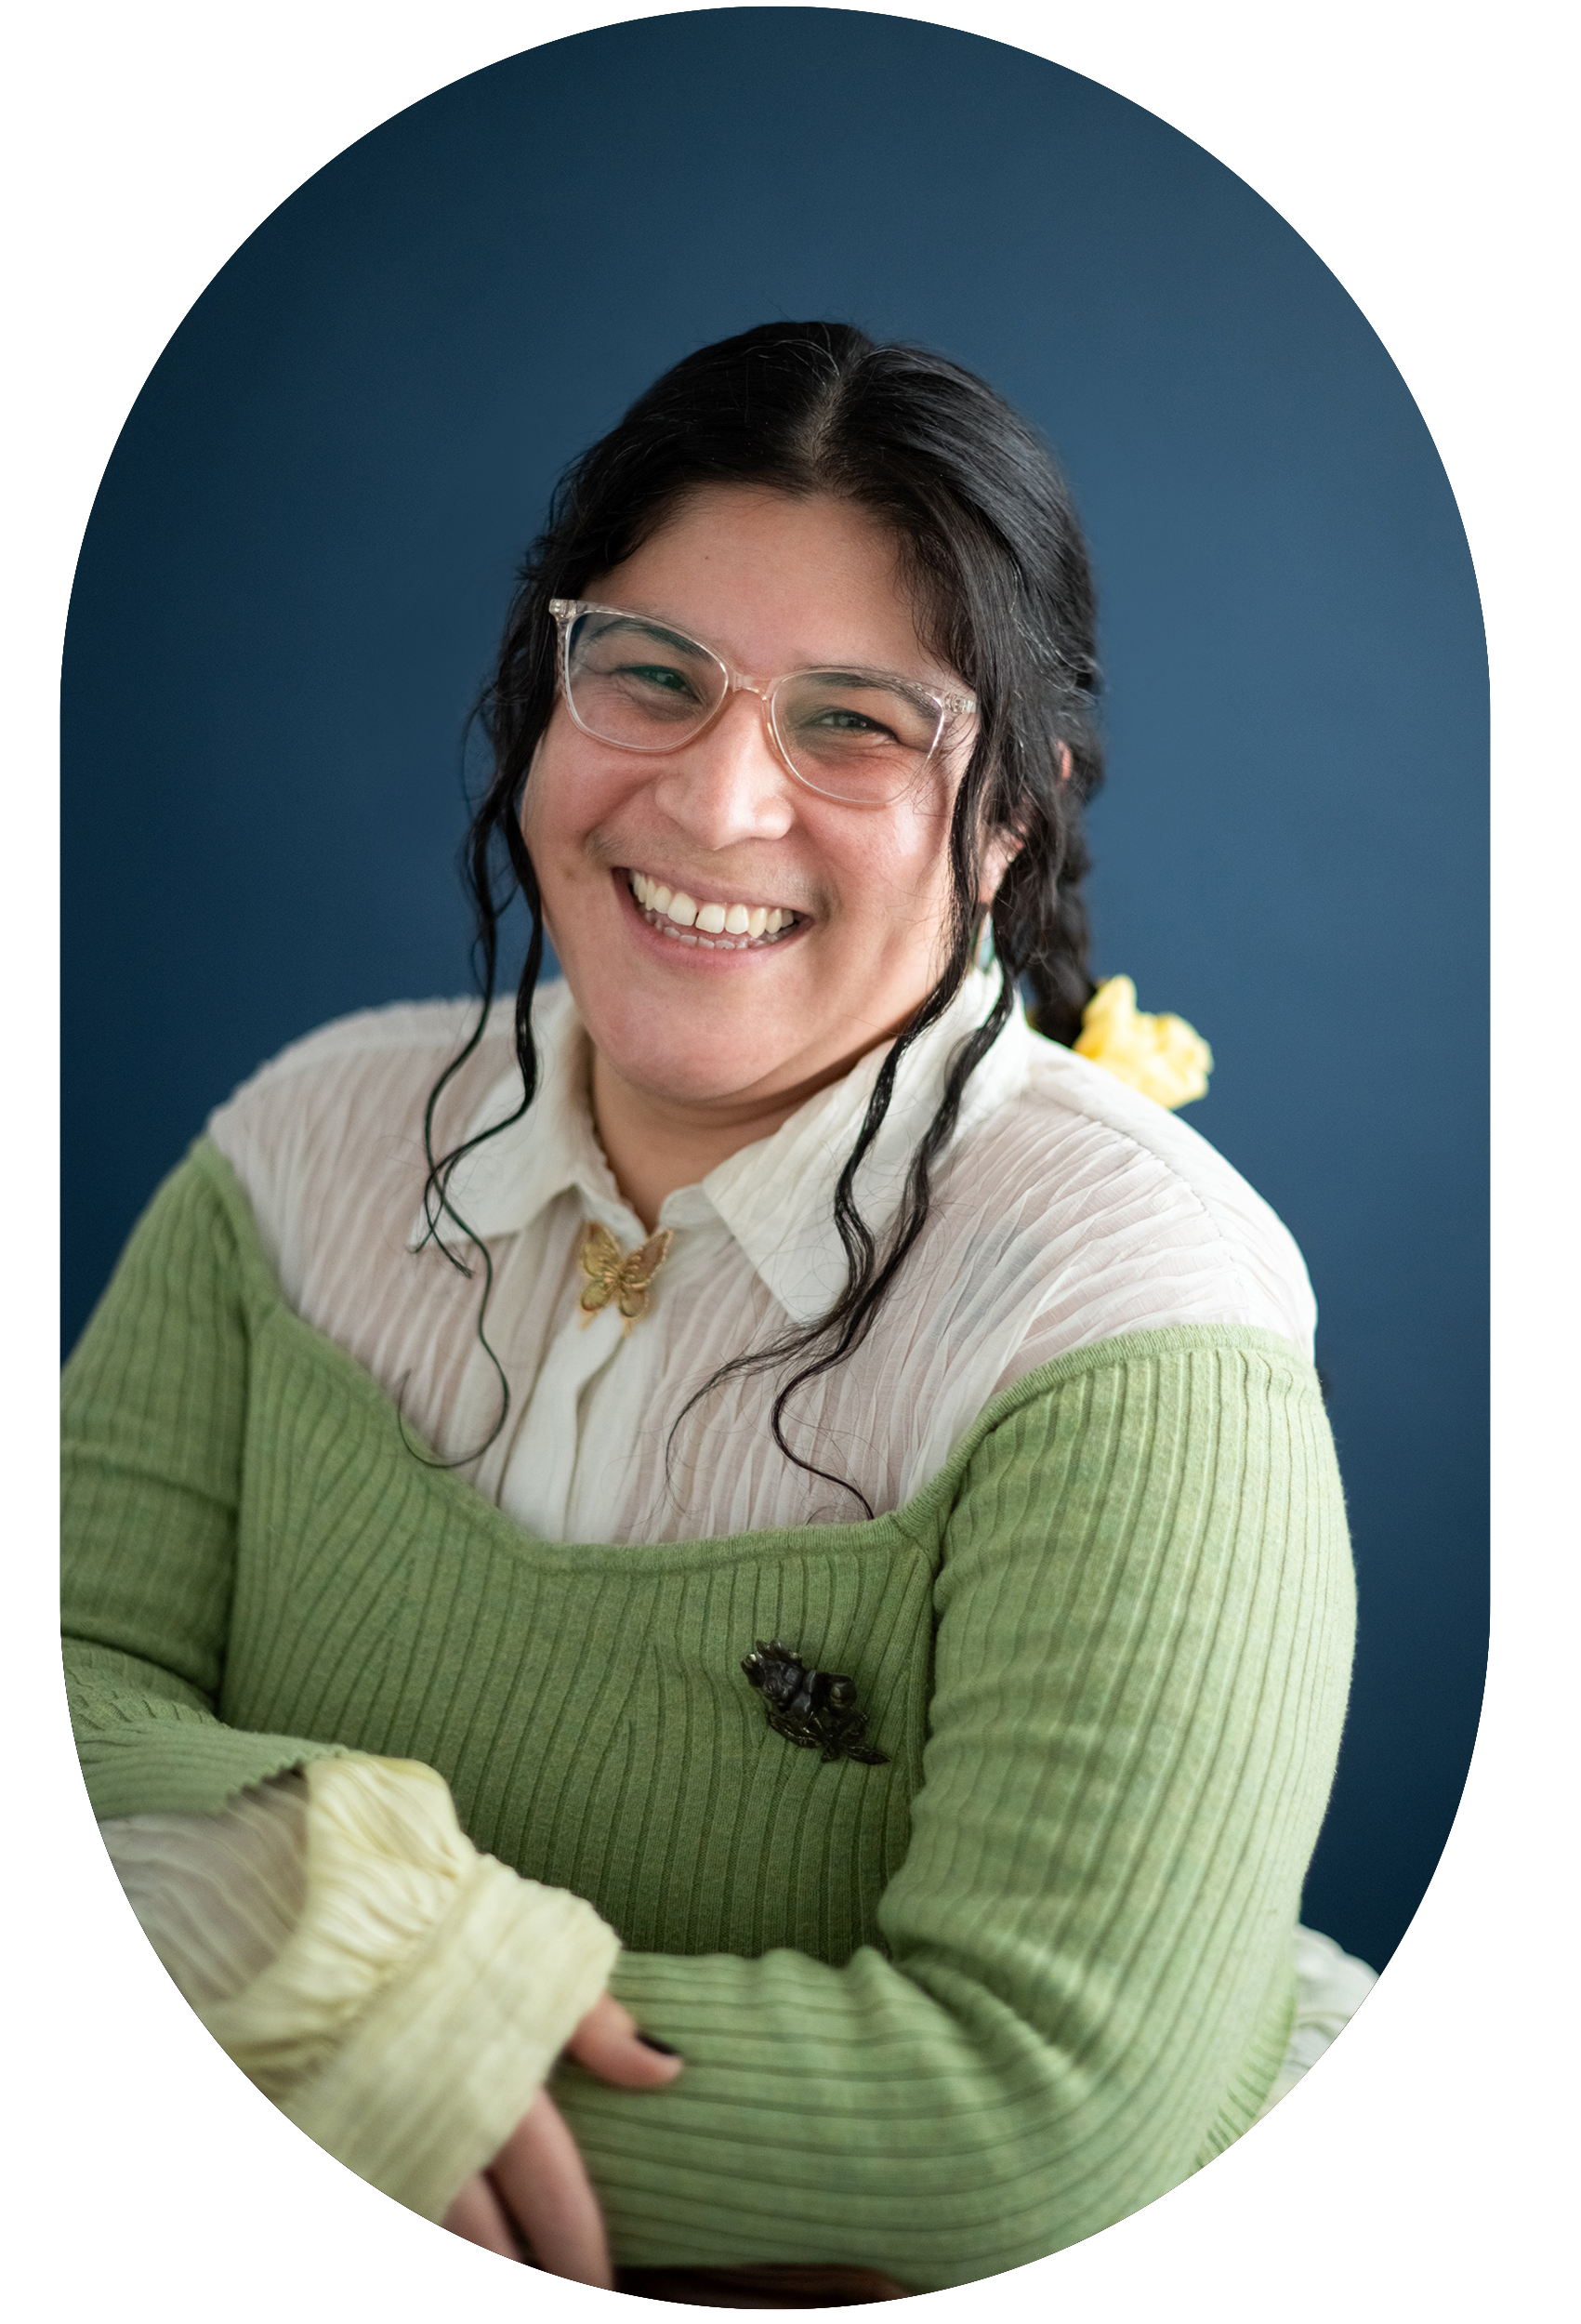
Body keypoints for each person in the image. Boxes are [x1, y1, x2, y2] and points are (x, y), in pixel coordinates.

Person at [61, 321, 1371, 2303]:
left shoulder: (1138, 1302)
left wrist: (352, 2055)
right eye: (649, 675)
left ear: (1009, 812)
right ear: (543, 691)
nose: (716, 799)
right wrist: (332, 1898)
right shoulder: (299, 1145)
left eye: (857, 724)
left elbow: (1033, 2112)